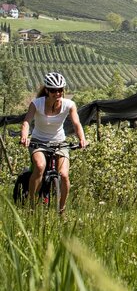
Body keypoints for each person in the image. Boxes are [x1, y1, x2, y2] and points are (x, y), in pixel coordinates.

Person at [19, 72, 88, 214]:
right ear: (47, 90)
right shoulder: (36, 104)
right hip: (38, 141)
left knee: (64, 175)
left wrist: (82, 139)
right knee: (40, 166)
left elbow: (76, 123)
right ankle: (31, 206)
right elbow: (27, 121)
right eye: (53, 90)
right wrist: (24, 136)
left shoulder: (69, 105)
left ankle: (61, 210)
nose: (57, 93)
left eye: (60, 90)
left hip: (59, 142)